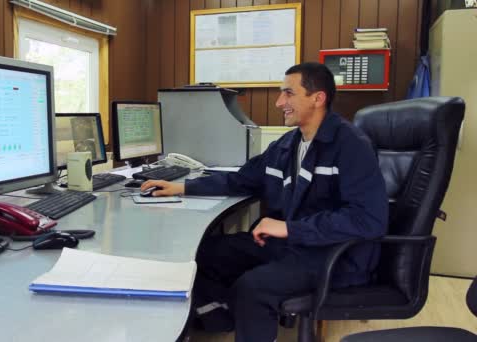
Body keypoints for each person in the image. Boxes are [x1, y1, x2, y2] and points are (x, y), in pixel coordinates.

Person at [140, 62, 388, 342]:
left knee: (253, 288)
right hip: (292, 245)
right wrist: (181, 186)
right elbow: (241, 180)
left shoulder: (351, 145)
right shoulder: (287, 145)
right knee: (201, 255)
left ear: (318, 98)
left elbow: (369, 220)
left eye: (288, 93)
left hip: (334, 255)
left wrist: (289, 229)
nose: (279, 102)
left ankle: (242, 312)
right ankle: (223, 317)